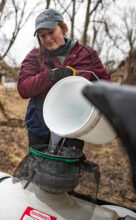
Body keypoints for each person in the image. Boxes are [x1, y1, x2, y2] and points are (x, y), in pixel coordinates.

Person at [17, 8, 111, 148]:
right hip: (39, 125)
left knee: (69, 164)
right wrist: (51, 76)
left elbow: (103, 82)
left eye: (51, 32)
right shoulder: (34, 57)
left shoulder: (86, 54)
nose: (48, 39)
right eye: (42, 35)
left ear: (63, 28)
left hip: (73, 123)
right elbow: (24, 88)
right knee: (38, 165)